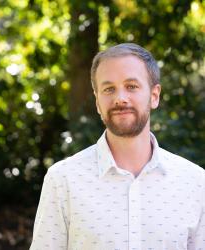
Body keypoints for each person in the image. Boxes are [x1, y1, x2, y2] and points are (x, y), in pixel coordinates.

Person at [30, 43, 205, 250]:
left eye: (131, 86)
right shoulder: (63, 180)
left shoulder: (195, 182)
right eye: (109, 89)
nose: (120, 98)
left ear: (154, 95)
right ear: (97, 102)